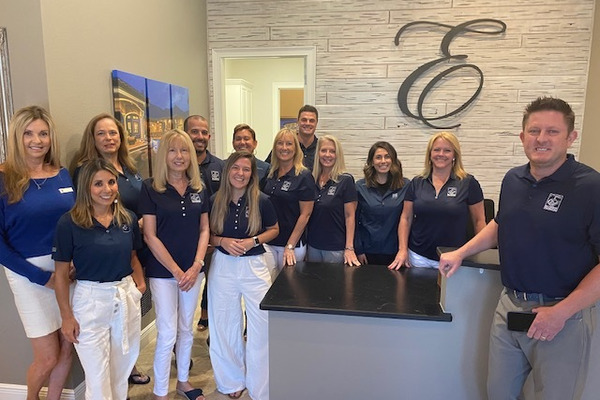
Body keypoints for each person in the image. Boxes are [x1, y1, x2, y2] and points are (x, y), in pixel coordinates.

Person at [439, 97, 600, 400]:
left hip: (563, 315)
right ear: (522, 136)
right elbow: (501, 225)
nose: (541, 139)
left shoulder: (590, 187)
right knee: (498, 393)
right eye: (534, 130)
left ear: (571, 137)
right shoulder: (513, 179)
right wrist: (461, 252)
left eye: (552, 131)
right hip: (509, 307)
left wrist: (562, 312)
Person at [53, 158, 146, 400]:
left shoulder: (127, 219)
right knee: (97, 374)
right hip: (90, 301)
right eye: (98, 184)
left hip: (125, 296)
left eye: (111, 182)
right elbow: (62, 274)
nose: (107, 189)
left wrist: (140, 285)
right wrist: (66, 317)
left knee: (121, 367)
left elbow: (133, 256)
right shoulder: (70, 222)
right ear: (86, 187)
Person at [0, 106, 75, 400]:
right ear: (17, 137)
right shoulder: (4, 177)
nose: (37, 140)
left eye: (43, 133)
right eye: (29, 133)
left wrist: (73, 263)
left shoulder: (62, 174)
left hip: (68, 270)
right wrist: (38, 276)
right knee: (47, 356)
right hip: (29, 273)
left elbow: (76, 221)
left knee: (68, 343)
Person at [69, 112, 149, 385]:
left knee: (127, 321)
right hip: (107, 252)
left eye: (113, 132)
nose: (108, 138)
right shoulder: (87, 170)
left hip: (133, 245)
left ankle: (128, 367)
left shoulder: (129, 167)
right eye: (101, 133)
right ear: (92, 138)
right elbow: (82, 214)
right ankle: (121, 374)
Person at [138, 129, 209, 400]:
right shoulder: (150, 188)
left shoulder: (198, 188)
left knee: (186, 329)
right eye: (172, 150)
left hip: (193, 272)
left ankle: (183, 382)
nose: (179, 157)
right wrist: (178, 271)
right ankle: (160, 393)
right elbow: (150, 235)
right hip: (163, 274)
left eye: (183, 151)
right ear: (163, 155)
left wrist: (196, 265)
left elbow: (205, 230)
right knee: (167, 332)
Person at [208, 151, 279, 400]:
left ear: (252, 174)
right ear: (228, 171)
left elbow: (274, 229)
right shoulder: (215, 200)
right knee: (224, 324)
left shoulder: (262, 200)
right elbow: (205, 235)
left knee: (262, 325)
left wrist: (253, 241)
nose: (240, 173)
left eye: (246, 169)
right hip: (223, 266)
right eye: (236, 168)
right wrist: (222, 241)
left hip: (254, 266)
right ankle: (231, 381)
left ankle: (261, 387)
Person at [389, 131, 486, 269]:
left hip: (454, 258)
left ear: (454, 155)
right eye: (436, 150)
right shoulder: (417, 182)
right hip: (418, 257)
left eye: (447, 150)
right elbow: (406, 218)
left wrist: (481, 253)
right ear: (430, 154)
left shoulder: (468, 183)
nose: (441, 154)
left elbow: (479, 221)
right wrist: (402, 250)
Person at [184, 114, 224, 332]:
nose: (199, 136)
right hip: (184, 241)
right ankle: (179, 344)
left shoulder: (220, 165)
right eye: (194, 131)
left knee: (215, 284)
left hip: (213, 239)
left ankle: (212, 328)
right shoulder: (178, 166)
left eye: (203, 132)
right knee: (183, 292)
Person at [261, 127, 316, 270]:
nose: (284, 148)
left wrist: (290, 245)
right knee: (267, 286)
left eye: (289, 144)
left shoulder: (304, 176)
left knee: (289, 289)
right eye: (280, 143)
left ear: (296, 148)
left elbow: (306, 214)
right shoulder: (270, 173)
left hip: (292, 245)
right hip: (268, 242)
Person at [306, 135, 360, 265]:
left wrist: (349, 247)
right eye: (323, 150)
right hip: (313, 247)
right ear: (318, 153)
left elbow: (350, 216)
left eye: (332, 151)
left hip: (335, 249)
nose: (327, 155)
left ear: (338, 155)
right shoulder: (311, 180)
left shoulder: (345, 180)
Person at [355, 141, 410, 266]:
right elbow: (354, 220)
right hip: (367, 252)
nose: (383, 161)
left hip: (396, 252)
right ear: (371, 162)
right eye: (378, 157)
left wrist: (404, 250)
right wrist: (358, 249)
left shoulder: (406, 186)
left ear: (393, 160)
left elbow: (408, 219)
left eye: (387, 156)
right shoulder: (360, 187)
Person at [266, 105, 319, 171]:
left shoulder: (321, 148)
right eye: (304, 120)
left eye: (311, 121)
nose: (308, 123)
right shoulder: (285, 146)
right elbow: (267, 168)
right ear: (298, 121)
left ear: (316, 123)